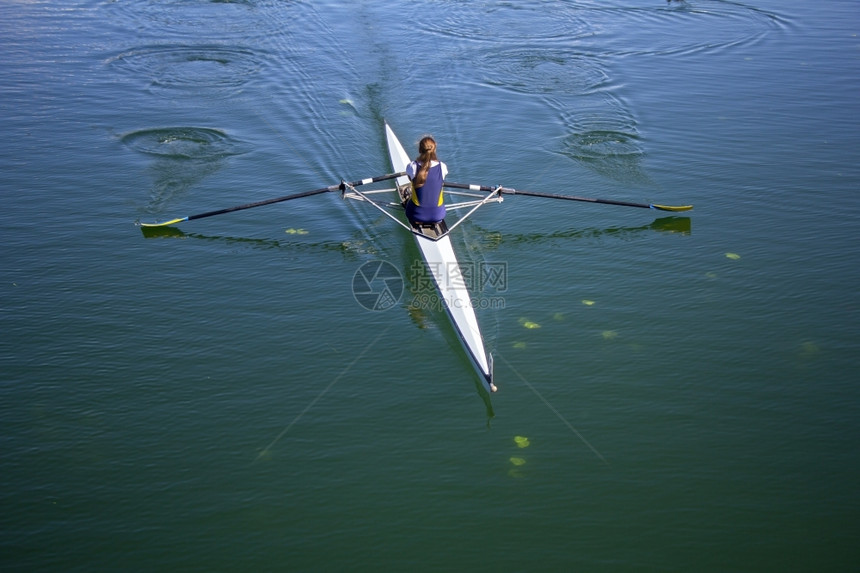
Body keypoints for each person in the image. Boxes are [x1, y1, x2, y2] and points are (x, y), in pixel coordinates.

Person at [405, 135, 448, 224]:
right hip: (438, 215)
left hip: (415, 215)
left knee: (409, 192)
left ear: (420, 150)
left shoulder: (412, 166)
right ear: (434, 149)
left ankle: (408, 195)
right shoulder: (442, 167)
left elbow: (409, 178)